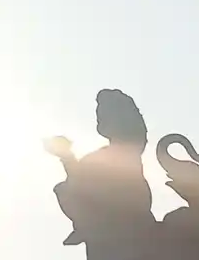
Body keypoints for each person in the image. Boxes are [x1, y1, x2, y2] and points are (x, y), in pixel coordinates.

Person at [43, 87, 154, 249]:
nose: (99, 118)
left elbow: (83, 180)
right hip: (108, 210)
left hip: (127, 206)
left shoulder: (124, 152)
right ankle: (88, 226)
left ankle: (91, 226)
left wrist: (67, 155)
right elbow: (79, 179)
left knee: (68, 190)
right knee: (62, 189)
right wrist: (66, 155)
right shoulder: (100, 157)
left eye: (103, 114)